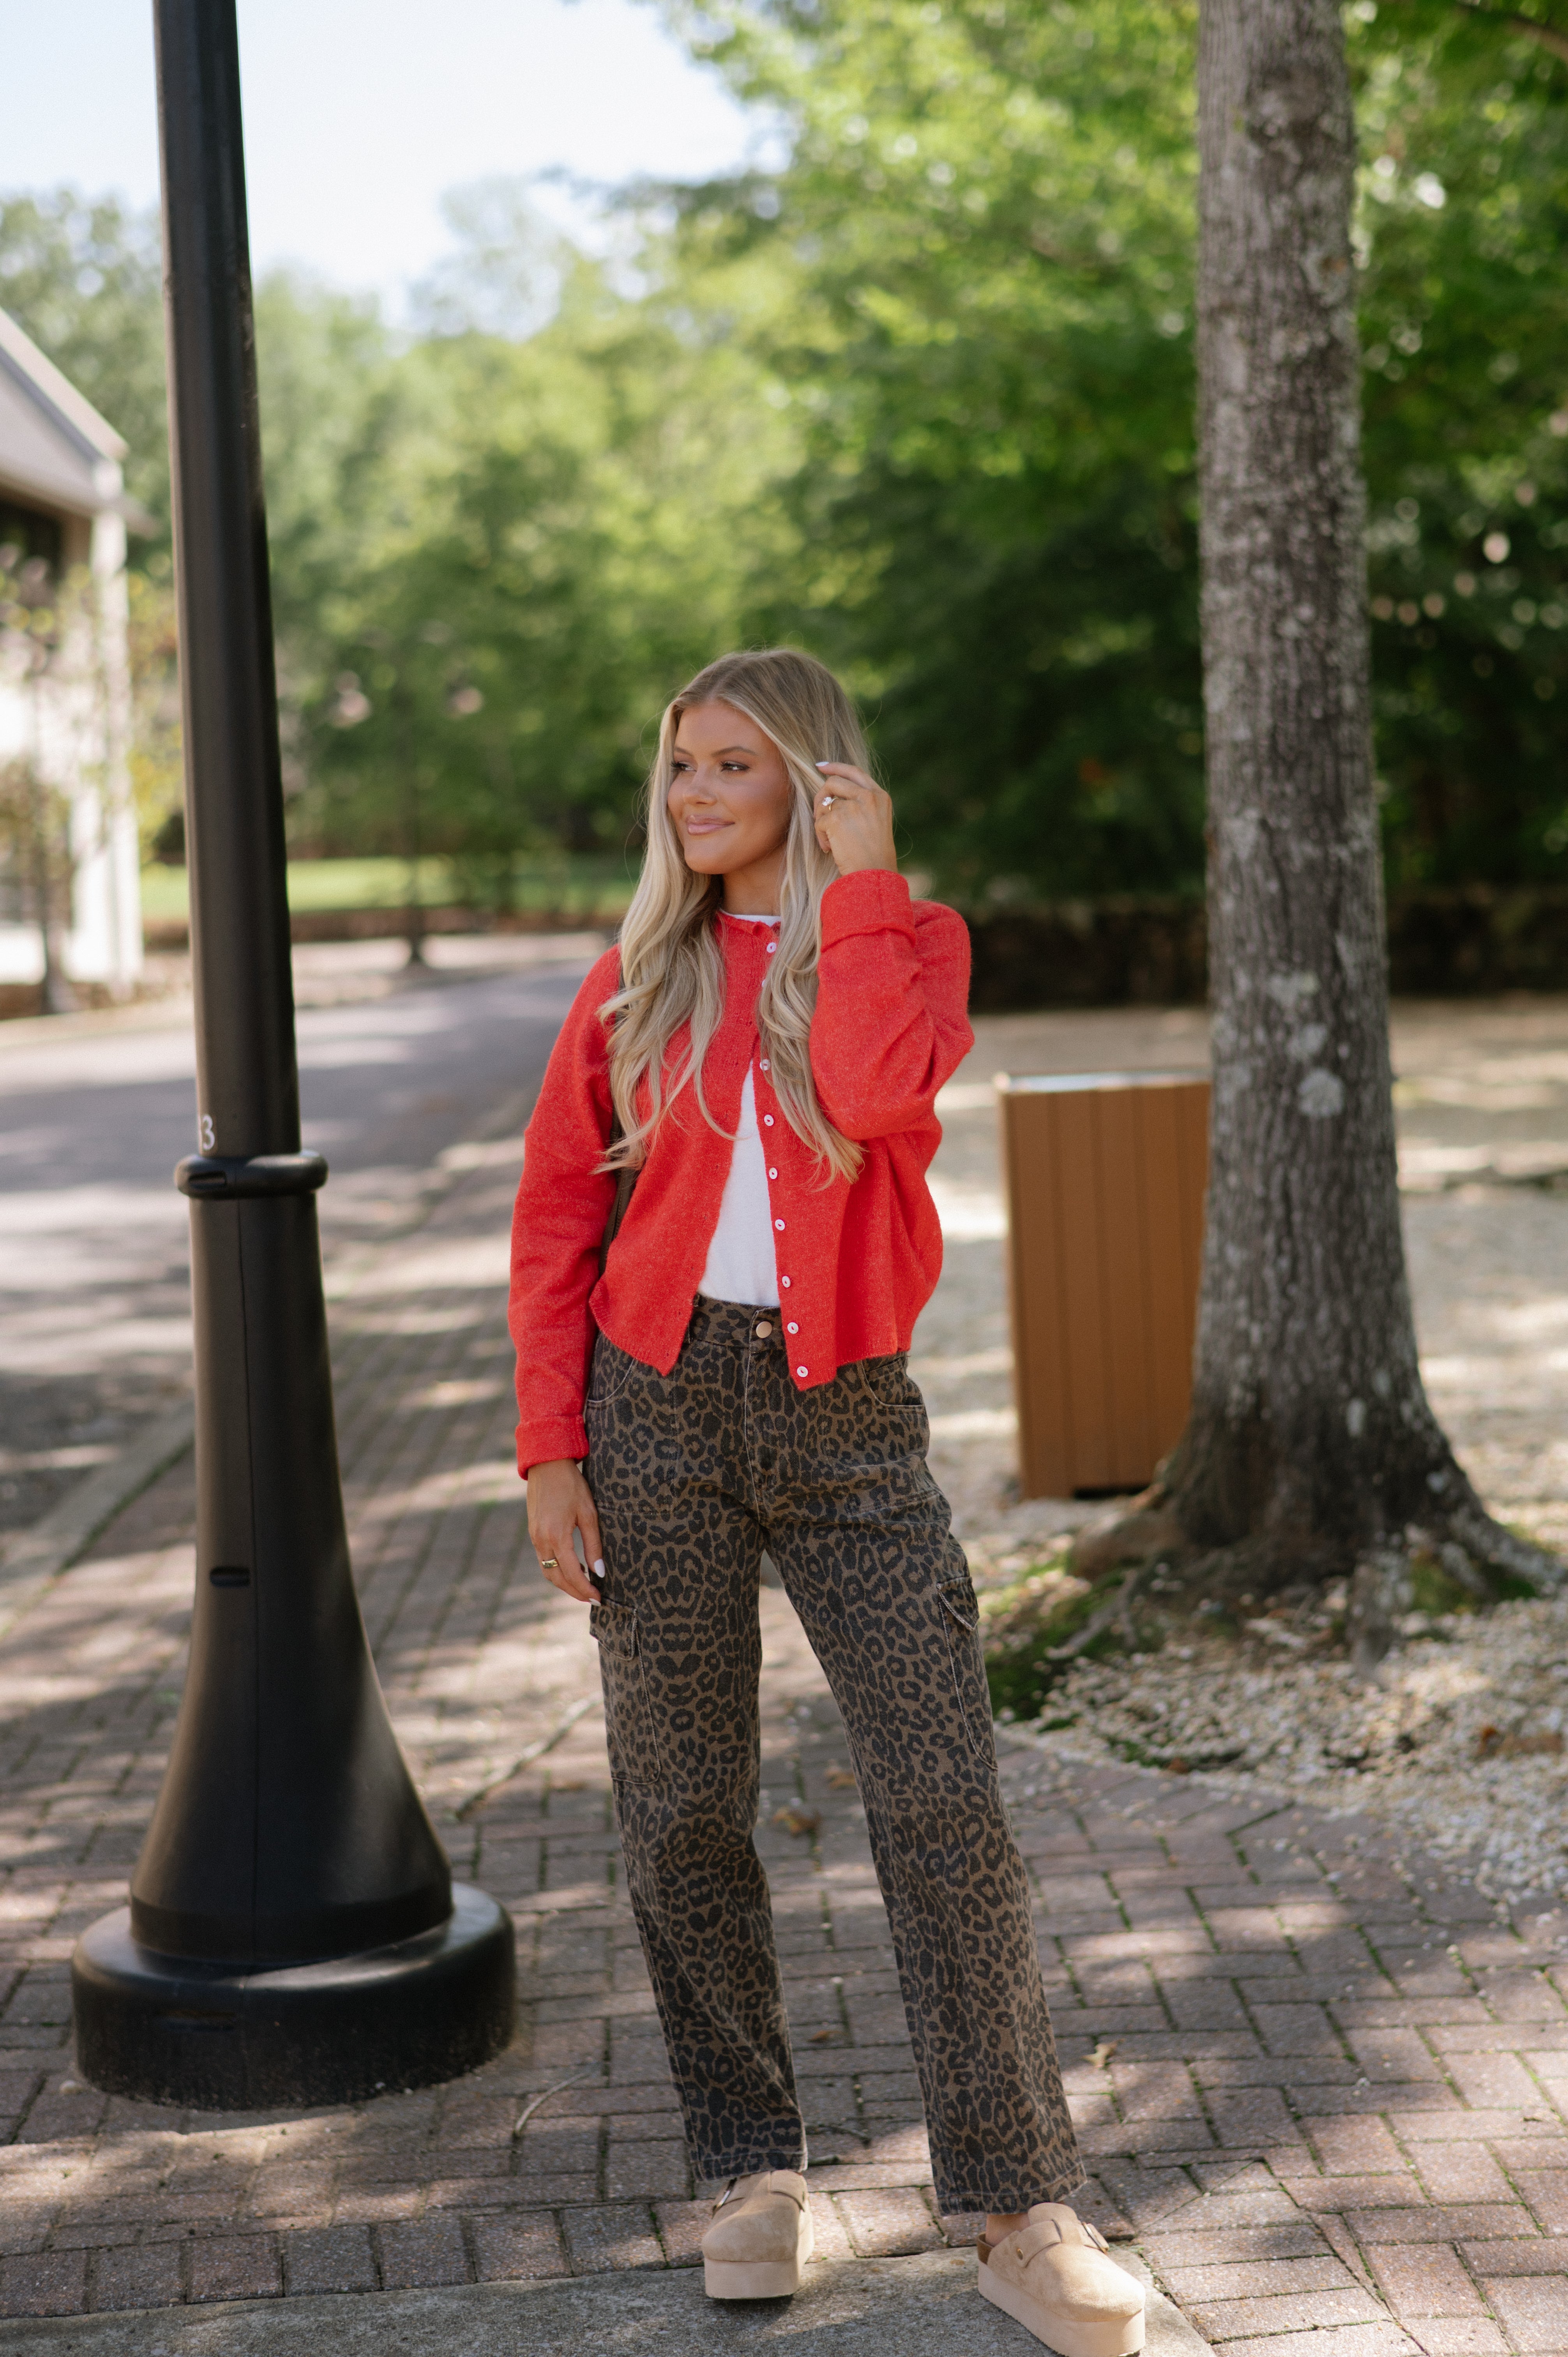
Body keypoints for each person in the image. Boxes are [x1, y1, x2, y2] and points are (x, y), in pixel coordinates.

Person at [509, 648, 1144, 2353]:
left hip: (849, 1418)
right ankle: (747, 2167)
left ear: (811, 776)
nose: (694, 794)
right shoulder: (632, 979)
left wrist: (857, 890)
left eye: (732, 765)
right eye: (681, 768)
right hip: (649, 1414)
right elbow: (559, 1218)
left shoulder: (904, 943)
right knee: (682, 1808)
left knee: (944, 1798)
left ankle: (1016, 2205)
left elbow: (872, 1096)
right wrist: (548, 1450)